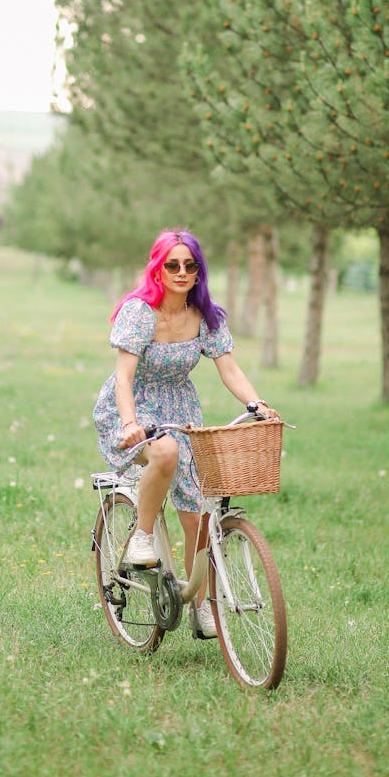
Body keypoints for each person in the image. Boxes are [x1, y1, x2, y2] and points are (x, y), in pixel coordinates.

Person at [93, 228, 278, 639]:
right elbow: (123, 377)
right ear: (157, 268)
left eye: (189, 265)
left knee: (198, 513)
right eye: (172, 264)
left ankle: (202, 604)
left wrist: (256, 404)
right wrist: (129, 424)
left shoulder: (206, 316)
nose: (181, 271)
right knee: (164, 453)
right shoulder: (140, 312)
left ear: (198, 272)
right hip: (131, 407)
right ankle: (142, 537)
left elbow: (228, 367)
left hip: (181, 408)